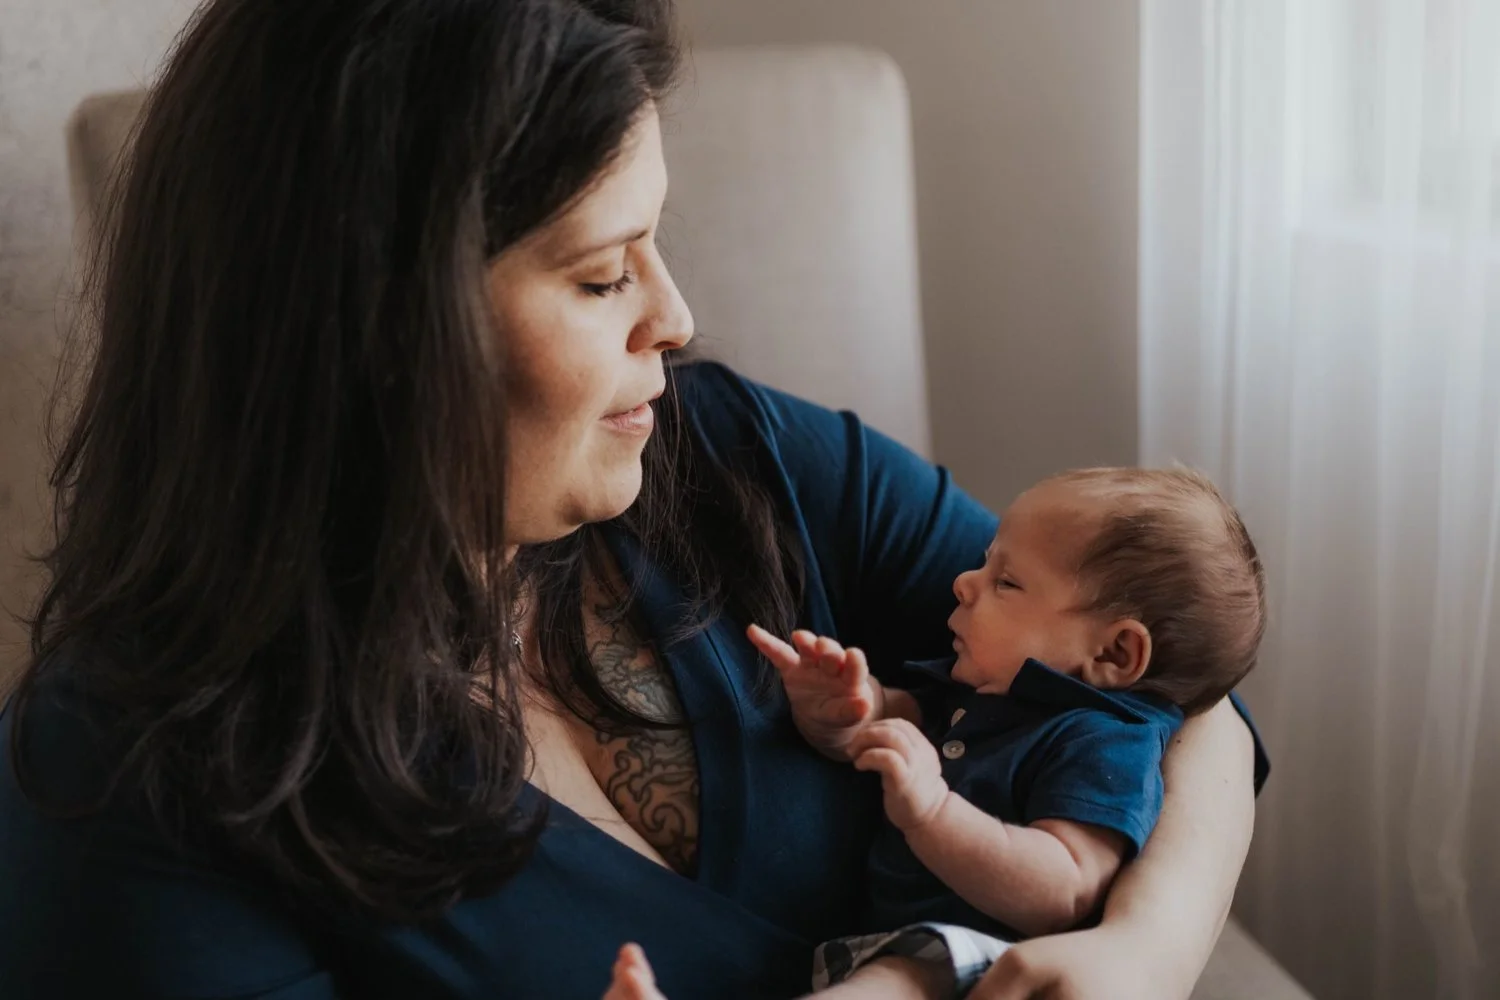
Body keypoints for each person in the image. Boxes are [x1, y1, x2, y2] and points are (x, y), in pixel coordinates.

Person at [0, 2, 1266, 998]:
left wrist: (1141, 954)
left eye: (655, 242)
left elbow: (1175, 692)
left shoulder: (731, 455)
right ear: (380, 333)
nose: (678, 315)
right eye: (605, 276)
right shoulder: (135, 768)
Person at [735, 468, 1265, 995]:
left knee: (898, 982)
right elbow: (896, 726)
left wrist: (934, 811)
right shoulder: (991, 691)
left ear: (1114, 653)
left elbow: (1066, 888)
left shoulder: (1102, 743)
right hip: (892, 938)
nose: (964, 583)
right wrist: (851, 711)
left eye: (1005, 581)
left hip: (1006, 967)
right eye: (985, 563)